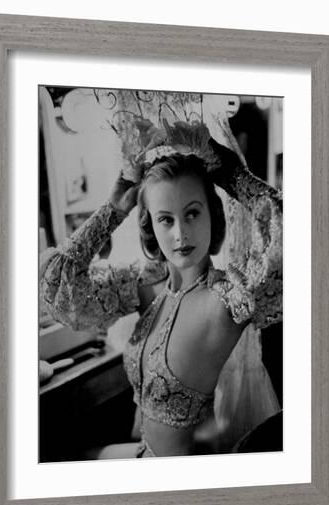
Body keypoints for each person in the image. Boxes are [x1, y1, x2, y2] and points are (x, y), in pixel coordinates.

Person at [39, 123, 282, 459]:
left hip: (181, 479)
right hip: (143, 453)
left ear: (212, 215)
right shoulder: (148, 286)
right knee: (59, 453)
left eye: (192, 213)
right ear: (150, 225)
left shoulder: (226, 298)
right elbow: (58, 287)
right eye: (166, 220)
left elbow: (298, 235)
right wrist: (113, 209)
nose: (181, 233)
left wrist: (231, 174)